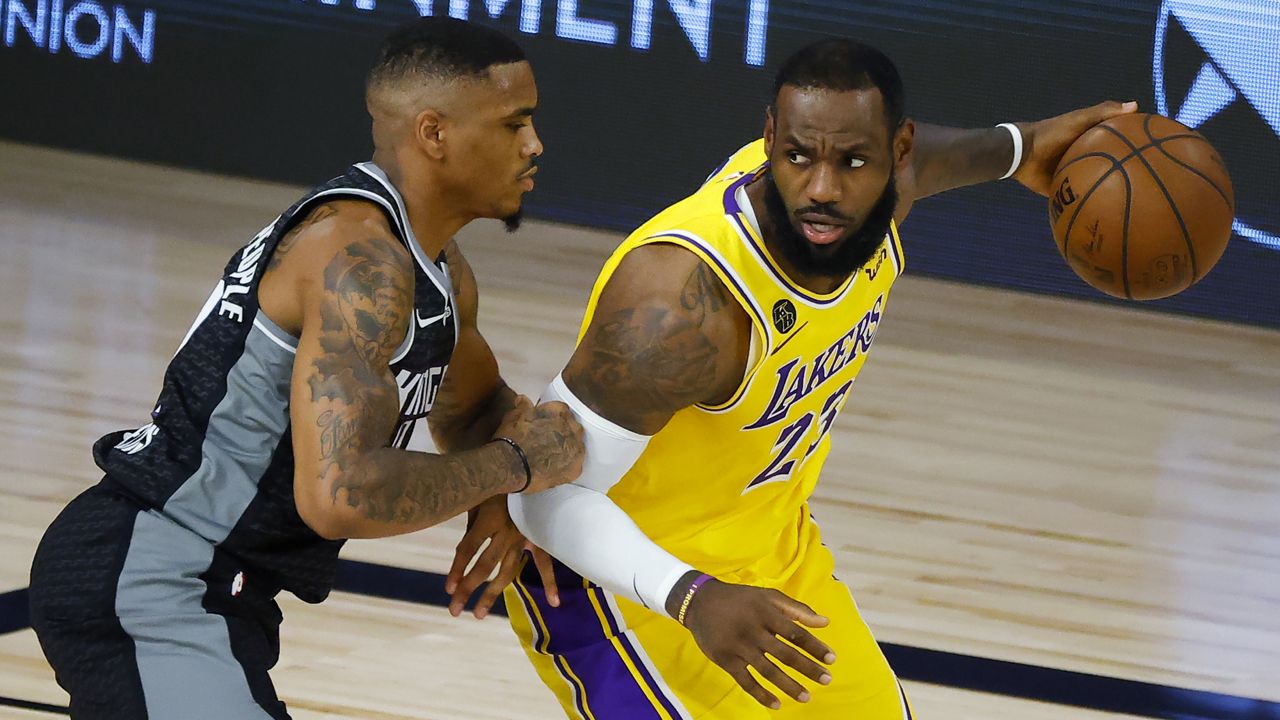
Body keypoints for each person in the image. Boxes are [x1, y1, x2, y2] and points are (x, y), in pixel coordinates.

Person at [505, 38, 1135, 718]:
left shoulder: (892, 189)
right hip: (624, 588)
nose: (822, 189)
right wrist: (691, 595)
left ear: (896, 153)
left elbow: (952, 158)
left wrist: (1028, 146)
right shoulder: (682, 308)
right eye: (798, 156)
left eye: (854, 160)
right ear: (770, 138)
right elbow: (539, 500)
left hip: (770, 550)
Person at [27, 17, 583, 720]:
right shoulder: (359, 259)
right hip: (154, 572)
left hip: (219, 588)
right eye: (514, 124)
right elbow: (341, 495)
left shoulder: (437, 271)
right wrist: (515, 466)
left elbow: (477, 411)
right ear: (434, 133)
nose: (536, 145)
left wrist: (505, 493)